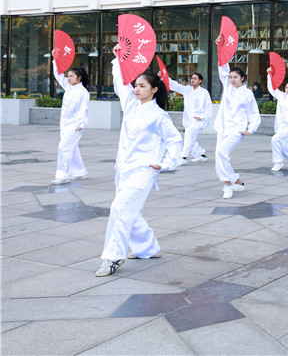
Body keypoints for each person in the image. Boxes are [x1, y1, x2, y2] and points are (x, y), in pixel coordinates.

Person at [96, 46, 182, 277]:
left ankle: (113, 256)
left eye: (142, 86)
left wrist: (166, 163)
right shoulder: (130, 104)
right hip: (123, 169)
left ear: (154, 89)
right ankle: (148, 248)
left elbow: (175, 140)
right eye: (136, 85)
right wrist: (117, 58)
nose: (136, 88)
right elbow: (119, 81)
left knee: (119, 208)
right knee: (130, 211)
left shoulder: (159, 116)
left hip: (144, 171)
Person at [214, 62, 261, 199]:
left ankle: (228, 184)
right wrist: (221, 52)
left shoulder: (247, 94)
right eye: (230, 77)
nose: (232, 80)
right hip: (223, 128)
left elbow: (254, 113)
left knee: (221, 152)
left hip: (237, 130)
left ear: (242, 78)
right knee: (220, 156)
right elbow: (222, 69)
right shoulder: (228, 88)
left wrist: (251, 129)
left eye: (235, 77)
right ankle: (237, 182)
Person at [50, 58, 90, 185]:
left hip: (75, 126)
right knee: (72, 149)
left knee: (63, 148)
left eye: (72, 76)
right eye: (68, 76)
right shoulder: (69, 87)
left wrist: (81, 124)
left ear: (79, 78)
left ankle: (63, 175)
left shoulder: (83, 92)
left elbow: (83, 110)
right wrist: (55, 59)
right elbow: (58, 75)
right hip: (65, 124)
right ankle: (79, 172)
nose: (68, 78)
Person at [168, 72, 212, 166]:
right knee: (190, 139)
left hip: (199, 120)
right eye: (192, 78)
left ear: (200, 81)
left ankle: (183, 157)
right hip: (188, 120)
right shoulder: (187, 90)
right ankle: (201, 155)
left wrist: (202, 117)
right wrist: (165, 77)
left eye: (195, 78)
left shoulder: (204, 93)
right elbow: (176, 86)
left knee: (189, 134)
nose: (192, 80)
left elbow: (209, 107)